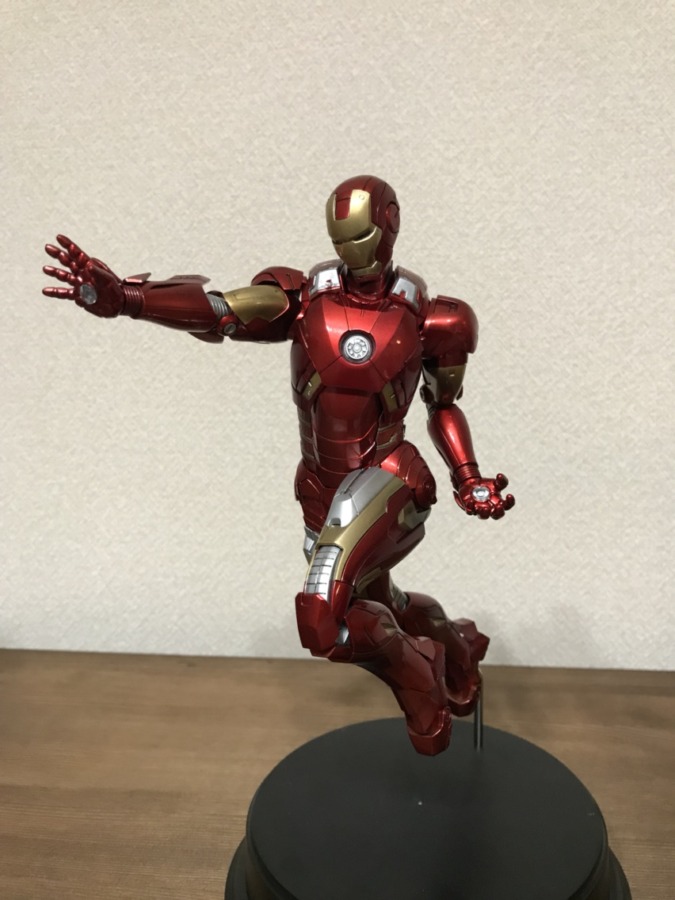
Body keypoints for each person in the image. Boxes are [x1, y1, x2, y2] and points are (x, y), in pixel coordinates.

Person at [43, 175, 514, 755]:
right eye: (341, 237)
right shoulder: (305, 299)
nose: (351, 250)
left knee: (322, 617)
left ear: (388, 227)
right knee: (378, 604)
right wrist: (128, 299)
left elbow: (443, 406)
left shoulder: (432, 320)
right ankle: (455, 647)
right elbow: (220, 310)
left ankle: (421, 677)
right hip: (321, 488)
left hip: (388, 478)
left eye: (361, 235)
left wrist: (468, 477)